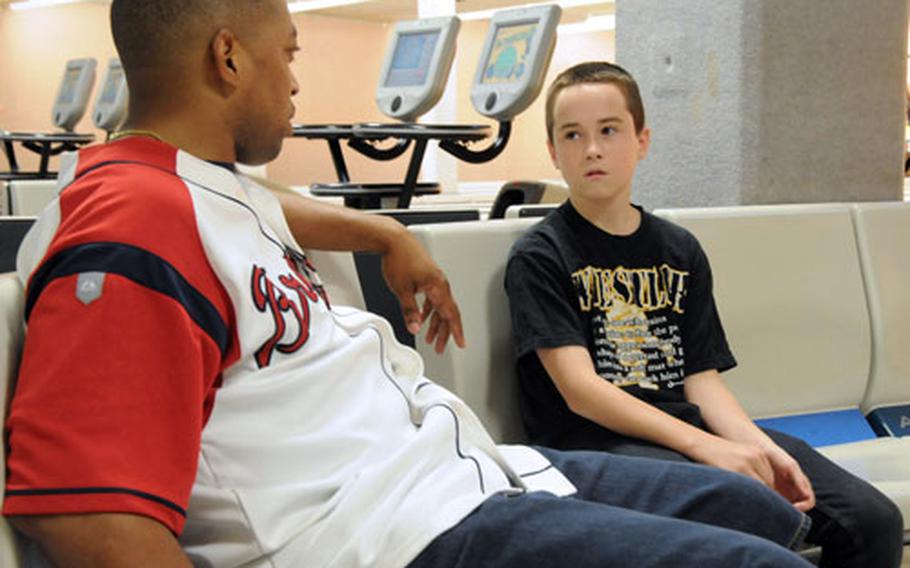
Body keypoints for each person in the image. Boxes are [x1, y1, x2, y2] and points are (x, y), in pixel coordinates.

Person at [2, 4, 817, 567]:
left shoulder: (201, 189)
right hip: (386, 535)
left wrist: (387, 233)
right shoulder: (126, 229)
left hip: (456, 470)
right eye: (287, 53)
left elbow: (253, 204)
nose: (293, 81)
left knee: (761, 513)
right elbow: (86, 520)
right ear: (227, 57)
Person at [504, 61, 905, 568]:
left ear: (642, 140)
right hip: (598, 447)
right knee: (749, 512)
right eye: (572, 135)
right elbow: (580, 392)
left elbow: (701, 379)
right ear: (553, 153)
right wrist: (708, 449)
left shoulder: (679, 248)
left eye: (610, 130)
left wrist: (757, 447)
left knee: (872, 520)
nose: (592, 149)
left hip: (684, 429)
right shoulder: (541, 255)